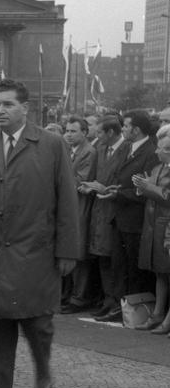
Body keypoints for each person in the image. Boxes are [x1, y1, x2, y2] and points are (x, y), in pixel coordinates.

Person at [0, 79, 80, 388]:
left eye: (7, 104)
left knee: (38, 324)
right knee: (0, 327)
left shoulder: (51, 145)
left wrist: (67, 251)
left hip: (37, 252)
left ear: (25, 109)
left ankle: (43, 366)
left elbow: (68, 201)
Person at [95, 110, 159, 322]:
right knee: (119, 265)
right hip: (120, 216)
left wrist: (119, 193)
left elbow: (146, 188)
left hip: (135, 219)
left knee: (132, 268)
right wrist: (113, 188)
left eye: (126, 126)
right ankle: (118, 304)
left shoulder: (150, 152)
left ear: (137, 129)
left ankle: (132, 308)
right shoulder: (129, 148)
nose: (123, 129)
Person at [83, 116, 128, 318]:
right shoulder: (100, 150)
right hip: (99, 209)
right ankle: (107, 299)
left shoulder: (126, 150)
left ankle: (116, 301)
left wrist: (105, 188)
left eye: (100, 132)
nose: (97, 135)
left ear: (110, 132)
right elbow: (95, 175)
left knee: (114, 259)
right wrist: (90, 186)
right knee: (101, 256)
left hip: (115, 210)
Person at [131, 129, 170, 332]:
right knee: (160, 273)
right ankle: (158, 315)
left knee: (166, 272)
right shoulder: (158, 167)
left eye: (162, 149)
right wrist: (142, 187)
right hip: (155, 227)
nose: (156, 152)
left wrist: (148, 188)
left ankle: (165, 320)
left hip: (165, 227)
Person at [61, 117, 97, 313]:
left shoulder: (89, 152)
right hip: (68, 207)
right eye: (67, 130)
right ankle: (66, 295)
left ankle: (79, 298)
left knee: (79, 254)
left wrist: (59, 178)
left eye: (73, 131)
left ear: (84, 132)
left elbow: (80, 180)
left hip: (80, 208)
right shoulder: (67, 150)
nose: (68, 134)